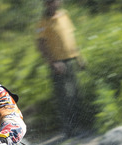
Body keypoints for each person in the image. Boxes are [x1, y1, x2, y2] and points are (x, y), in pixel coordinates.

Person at [36, 0, 86, 137]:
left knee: (75, 94)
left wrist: (79, 57)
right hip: (58, 64)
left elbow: (71, 38)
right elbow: (40, 45)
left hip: (71, 60)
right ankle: (69, 129)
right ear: (46, 4)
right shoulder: (43, 22)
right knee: (64, 98)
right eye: (50, 2)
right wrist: (53, 63)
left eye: (55, 1)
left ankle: (79, 125)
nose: (53, 3)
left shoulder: (64, 15)